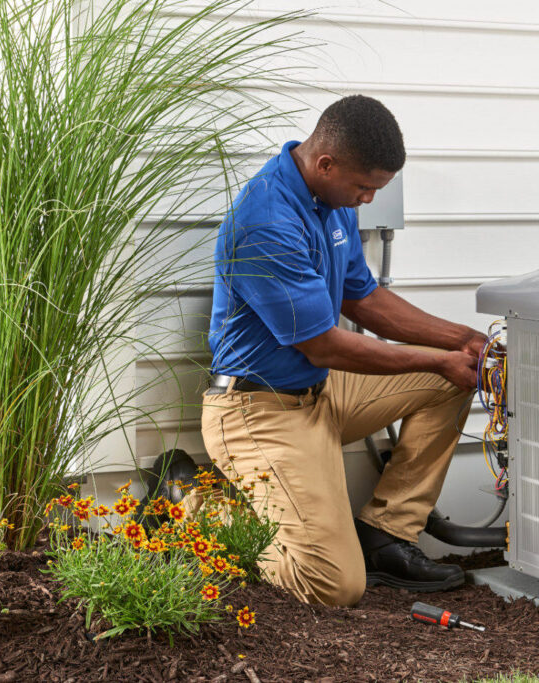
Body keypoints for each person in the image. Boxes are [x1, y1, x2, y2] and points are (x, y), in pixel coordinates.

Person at [199, 95, 486, 606]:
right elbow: (323, 344)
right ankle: (194, 508)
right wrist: (435, 355)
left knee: (449, 379)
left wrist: (462, 341)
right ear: (325, 163)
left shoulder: (331, 204)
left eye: (377, 189)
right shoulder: (266, 220)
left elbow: (364, 298)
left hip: (319, 393)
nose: (368, 201)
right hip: (258, 410)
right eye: (363, 186)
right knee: (333, 585)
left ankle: (387, 535)